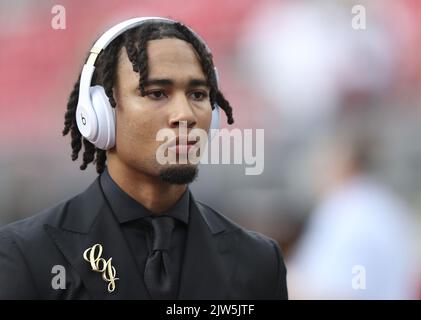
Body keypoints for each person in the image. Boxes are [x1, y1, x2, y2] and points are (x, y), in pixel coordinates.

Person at [0, 17, 288, 299]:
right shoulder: (25, 254)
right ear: (100, 113)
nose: (185, 114)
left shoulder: (259, 261)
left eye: (198, 94)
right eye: (157, 93)